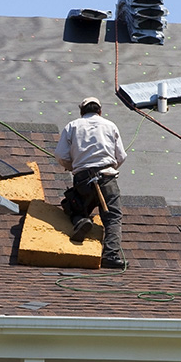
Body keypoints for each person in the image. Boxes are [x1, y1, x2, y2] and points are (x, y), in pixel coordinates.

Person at [55, 96, 127, 269]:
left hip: (83, 179)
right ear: (100, 111)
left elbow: (60, 155)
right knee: (112, 216)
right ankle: (110, 254)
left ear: (82, 112)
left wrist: (74, 167)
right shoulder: (110, 125)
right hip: (107, 177)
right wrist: (109, 167)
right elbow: (121, 156)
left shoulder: (72, 126)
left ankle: (80, 221)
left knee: (75, 208)